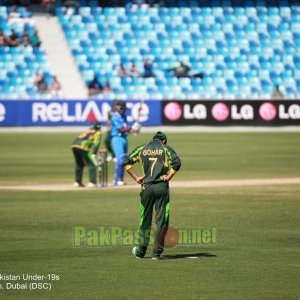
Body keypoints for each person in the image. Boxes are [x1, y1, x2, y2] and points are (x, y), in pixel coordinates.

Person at [123, 131, 181, 259]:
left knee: (145, 219)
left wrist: (137, 178)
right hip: (161, 187)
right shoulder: (166, 148)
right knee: (161, 220)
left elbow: (126, 162)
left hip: (147, 187)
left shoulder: (142, 148)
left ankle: (140, 251)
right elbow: (177, 163)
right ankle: (156, 253)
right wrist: (169, 176)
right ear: (164, 141)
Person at [110, 100, 140, 186]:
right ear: (117, 108)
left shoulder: (124, 116)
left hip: (124, 138)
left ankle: (120, 179)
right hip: (117, 138)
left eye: (124, 109)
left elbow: (126, 129)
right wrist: (132, 128)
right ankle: (117, 180)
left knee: (124, 160)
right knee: (121, 158)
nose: (123, 110)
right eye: (122, 108)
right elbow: (120, 129)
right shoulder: (115, 117)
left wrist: (134, 130)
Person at [71, 121, 102, 188]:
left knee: (79, 163)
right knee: (92, 164)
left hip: (74, 146)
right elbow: (96, 143)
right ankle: (92, 182)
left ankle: (77, 182)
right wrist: (94, 153)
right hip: (83, 147)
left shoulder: (88, 131)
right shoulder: (97, 133)